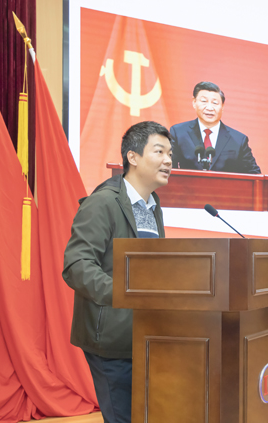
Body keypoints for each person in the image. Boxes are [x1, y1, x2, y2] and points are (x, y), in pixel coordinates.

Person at [62, 121, 172, 423]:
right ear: (132, 157)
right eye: (159, 152)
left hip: (146, 335)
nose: (168, 161)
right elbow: (77, 266)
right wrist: (127, 294)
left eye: (170, 154)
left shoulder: (153, 206)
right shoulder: (102, 203)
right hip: (111, 338)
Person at [170, 81, 261, 174]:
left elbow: (255, 174)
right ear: (194, 102)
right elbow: (168, 170)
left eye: (215, 103)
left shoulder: (239, 140)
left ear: (222, 106)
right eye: (204, 101)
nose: (209, 108)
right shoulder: (178, 133)